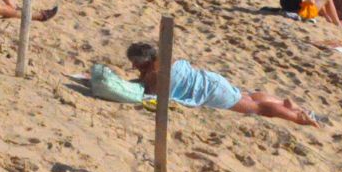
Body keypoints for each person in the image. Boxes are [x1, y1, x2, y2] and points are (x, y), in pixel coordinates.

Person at [125, 42, 318, 126]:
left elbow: (150, 92)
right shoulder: (168, 60)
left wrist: (143, 80)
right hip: (211, 80)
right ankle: (287, 105)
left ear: (146, 61)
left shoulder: (157, 74)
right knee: (248, 96)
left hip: (211, 91)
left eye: (136, 63)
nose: (134, 66)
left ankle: (297, 118)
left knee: (257, 108)